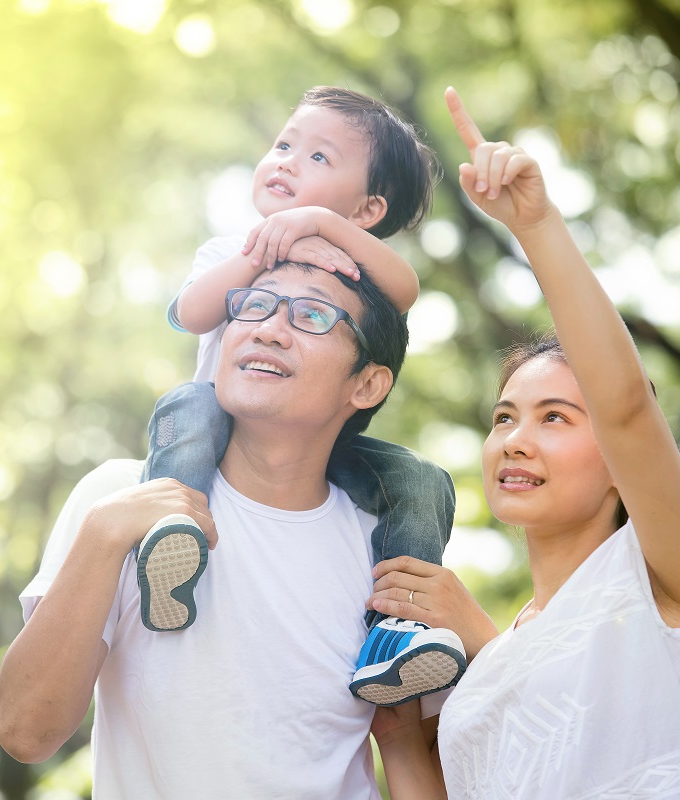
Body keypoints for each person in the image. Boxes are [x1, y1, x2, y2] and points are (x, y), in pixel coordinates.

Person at [368, 88, 680, 799]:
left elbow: (627, 408)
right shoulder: (485, 667)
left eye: (555, 418)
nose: (514, 440)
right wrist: (398, 727)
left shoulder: (670, 586)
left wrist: (534, 226)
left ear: (618, 468)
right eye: (504, 417)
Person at [0, 260, 451, 796]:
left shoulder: (386, 549)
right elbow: (28, 733)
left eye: (312, 314)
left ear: (368, 383)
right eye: (255, 305)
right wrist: (101, 535)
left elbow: (415, 757)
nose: (267, 328)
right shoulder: (122, 500)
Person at [138, 86, 465, 705]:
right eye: (285, 144)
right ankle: (170, 537)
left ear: (367, 209)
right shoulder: (232, 248)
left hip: (319, 444)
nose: (287, 160)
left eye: (319, 157)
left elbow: (406, 287)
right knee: (189, 402)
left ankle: (397, 629)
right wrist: (272, 250)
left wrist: (318, 228)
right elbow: (190, 311)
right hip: (222, 427)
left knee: (419, 480)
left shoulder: (359, 264)